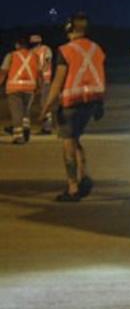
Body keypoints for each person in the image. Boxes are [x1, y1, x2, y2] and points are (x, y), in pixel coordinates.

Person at [39, 14, 107, 201]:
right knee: (75, 138)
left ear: (69, 29)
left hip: (72, 102)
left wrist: (46, 108)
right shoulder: (97, 49)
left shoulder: (65, 50)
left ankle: (72, 187)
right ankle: (84, 175)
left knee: (68, 142)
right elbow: (100, 75)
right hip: (92, 100)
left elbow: (57, 83)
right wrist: (101, 103)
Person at [4, 38, 38, 143]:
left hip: (14, 88)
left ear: (18, 45)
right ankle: (26, 129)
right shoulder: (34, 56)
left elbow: (3, 70)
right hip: (30, 88)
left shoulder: (11, 55)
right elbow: (39, 71)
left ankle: (18, 136)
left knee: (16, 112)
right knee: (25, 111)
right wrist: (39, 86)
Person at [29, 35, 54, 134]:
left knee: (42, 103)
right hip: (40, 79)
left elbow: (47, 62)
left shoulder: (33, 52)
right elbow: (48, 62)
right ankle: (46, 127)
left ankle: (47, 127)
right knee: (43, 104)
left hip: (41, 79)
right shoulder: (45, 49)